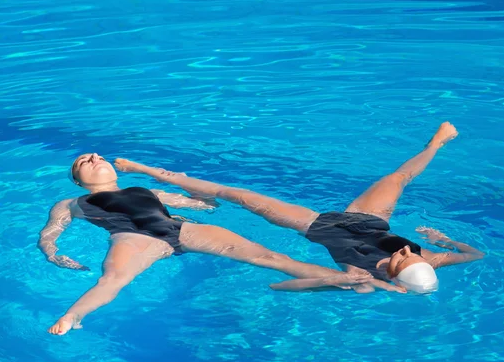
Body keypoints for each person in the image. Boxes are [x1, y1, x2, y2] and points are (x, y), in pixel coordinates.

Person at [39, 154, 396, 336]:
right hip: (132, 239)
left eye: (97, 157)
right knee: (111, 279)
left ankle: (357, 281)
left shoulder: (146, 190)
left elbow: (203, 205)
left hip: (181, 229)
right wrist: (53, 253)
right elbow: (50, 232)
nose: (94, 159)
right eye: (84, 161)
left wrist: (201, 199)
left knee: (270, 257)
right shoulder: (71, 203)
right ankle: (74, 316)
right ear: (78, 179)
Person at [114, 122, 484, 294]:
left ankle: (151, 174)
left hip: (316, 226)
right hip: (368, 220)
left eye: (403, 258)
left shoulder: (366, 280)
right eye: (412, 251)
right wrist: (444, 239)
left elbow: (281, 285)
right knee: (397, 178)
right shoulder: (431, 259)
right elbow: (476, 254)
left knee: (240, 195)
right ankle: (436, 143)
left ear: (395, 277)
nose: (407, 248)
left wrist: (332, 279)